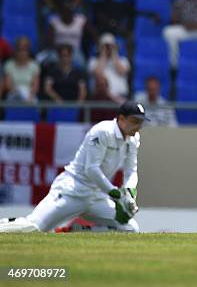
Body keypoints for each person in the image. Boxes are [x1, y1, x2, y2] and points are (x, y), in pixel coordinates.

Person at [0, 101, 146, 233]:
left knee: (130, 228)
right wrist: (115, 193)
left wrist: (129, 193)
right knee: (32, 227)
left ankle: (75, 231)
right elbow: (91, 169)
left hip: (96, 197)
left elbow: (131, 169)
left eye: (140, 122)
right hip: (73, 190)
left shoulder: (133, 138)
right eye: (134, 121)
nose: (138, 127)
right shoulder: (103, 131)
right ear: (121, 119)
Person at [88, 33, 130, 103]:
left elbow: (122, 71)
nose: (108, 48)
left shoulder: (123, 60)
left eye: (110, 46)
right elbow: (97, 74)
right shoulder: (93, 61)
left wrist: (114, 53)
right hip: (101, 99)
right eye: (105, 46)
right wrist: (103, 55)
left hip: (120, 97)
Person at [3, 36, 39, 102]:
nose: (22, 53)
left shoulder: (34, 65)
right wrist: (18, 94)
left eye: (24, 50)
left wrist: (29, 96)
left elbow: (35, 87)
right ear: (15, 51)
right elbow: (8, 85)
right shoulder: (9, 64)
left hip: (29, 94)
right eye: (19, 50)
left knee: (30, 99)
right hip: (13, 93)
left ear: (28, 51)